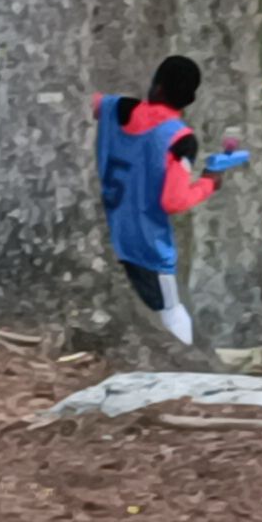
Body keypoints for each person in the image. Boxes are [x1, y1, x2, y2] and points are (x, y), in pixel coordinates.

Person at [94, 55, 222, 347]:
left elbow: (85, 101)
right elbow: (174, 200)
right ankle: (184, 371)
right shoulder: (179, 138)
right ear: (187, 99)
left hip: (107, 235)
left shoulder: (117, 109)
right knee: (172, 310)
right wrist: (208, 183)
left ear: (158, 88)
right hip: (147, 247)